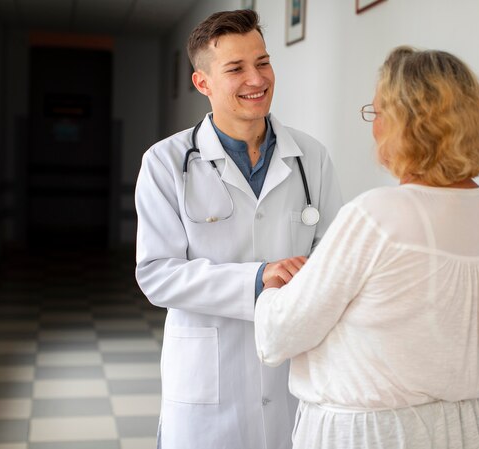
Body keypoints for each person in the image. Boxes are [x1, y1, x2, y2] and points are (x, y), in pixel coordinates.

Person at [255, 46, 479, 449]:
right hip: (466, 431)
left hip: (371, 435)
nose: (374, 127)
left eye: (377, 112)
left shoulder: (377, 216)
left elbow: (277, 336)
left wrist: (274, 286)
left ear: (404, 123)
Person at [134, 9, 342, 449]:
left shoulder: (311, 158)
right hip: (207, 383)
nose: (257, 79)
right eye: (236, 68)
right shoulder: (165, 163)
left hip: (292, 374)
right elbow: (156, 274)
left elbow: (333, 257)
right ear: (203, 83)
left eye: (263, 62)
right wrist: (256, 278)